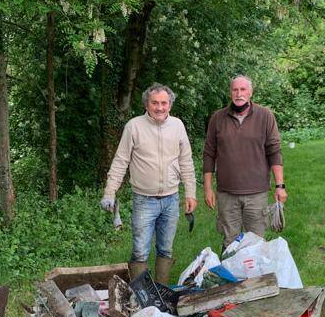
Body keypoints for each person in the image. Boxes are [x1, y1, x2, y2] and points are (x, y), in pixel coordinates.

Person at [102, 83, 197, 284]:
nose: (160, 107)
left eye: (164, 103)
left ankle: (161, 292)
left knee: (166, 248)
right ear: (147, 104)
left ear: (170, 105)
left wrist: (190, 193)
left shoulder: (178, 126)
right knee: (140, 251)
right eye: (155, 103)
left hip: (171, 200)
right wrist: (110, 192)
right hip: (144, 200)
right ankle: (141, 294)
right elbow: (121, 161)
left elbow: (186, 161)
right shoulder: (134, 126)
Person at [202, 75, 287, 248]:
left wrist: (280, 186)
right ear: (230, 92)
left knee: (255, 244)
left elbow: (274, 151)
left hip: (256, 194)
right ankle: (229, 275)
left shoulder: (265, 116)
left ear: (250, 92)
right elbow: (209, 154)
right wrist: (208, 188)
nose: (239, 93)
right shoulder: (217, 118)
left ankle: (255, 276)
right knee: (229, 244)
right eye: (235, 89)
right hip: (226, 194)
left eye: (243, 89)